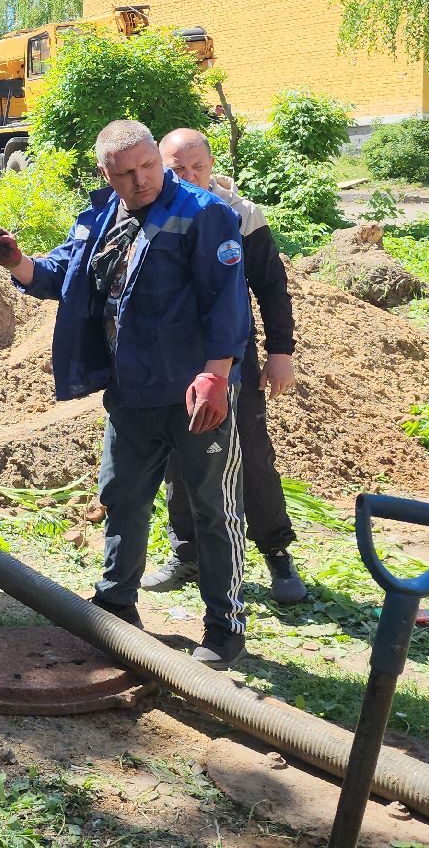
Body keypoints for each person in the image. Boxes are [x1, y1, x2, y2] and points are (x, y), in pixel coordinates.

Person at [0, 120, 253, 666]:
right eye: (125, 173)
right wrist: (16, 262)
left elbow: (228, 301)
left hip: (199, 393)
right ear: (106, 173)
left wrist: (217, 373)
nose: (142, 179)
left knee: (212, 509)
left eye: (148, 165)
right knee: (121, 496)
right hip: (132, 392)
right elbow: (64, 274)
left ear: (157, 157)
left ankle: (225, 628)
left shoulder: (203, 214)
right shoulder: (104, 213)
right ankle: (115, 606)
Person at [150, 129, 308, 604]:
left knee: (251, 454)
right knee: (179, 458)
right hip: (173, 361)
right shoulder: (153, 212)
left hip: (233, 358)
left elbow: (272, 290)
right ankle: (187, 553)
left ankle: (277, 555)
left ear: (211, 163)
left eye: (197, 166)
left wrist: (281, 352)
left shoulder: (243, 216)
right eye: (177, 169)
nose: (189, 176)